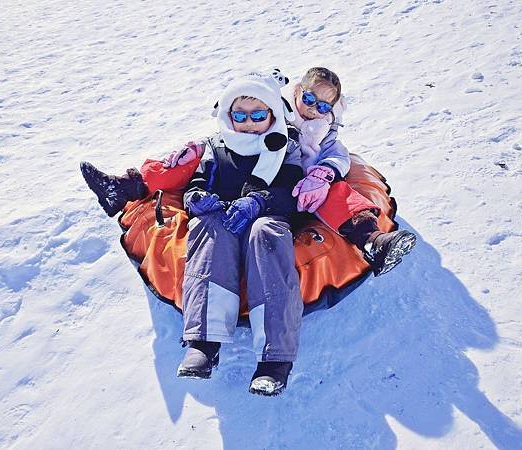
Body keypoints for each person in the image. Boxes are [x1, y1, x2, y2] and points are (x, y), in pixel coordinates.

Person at [81, 70, 304, 396]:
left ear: (271, 115)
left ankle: (275, 360)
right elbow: (196, 183)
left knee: (264, 234)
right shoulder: (217, 147)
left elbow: (290, 190)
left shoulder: (284, 145)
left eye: (258, 115)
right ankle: (204, 343)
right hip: (225, 215)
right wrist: (197, 199)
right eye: (239, 115)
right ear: (228, 115)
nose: (248, 123)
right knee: (206, 228)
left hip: (265, 216)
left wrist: (258, 202)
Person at [166, 67, 416, 276]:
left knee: (339, 194)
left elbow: (339, 156)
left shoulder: (326, 131)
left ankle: (372, 240)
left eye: (322, 106)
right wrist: (199, 147)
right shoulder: (274, 113)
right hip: (277, 187)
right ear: (297, 91)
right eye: (308, 100)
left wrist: (323, 175)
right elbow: (228, 133)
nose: (313, 109)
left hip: (309, 189)